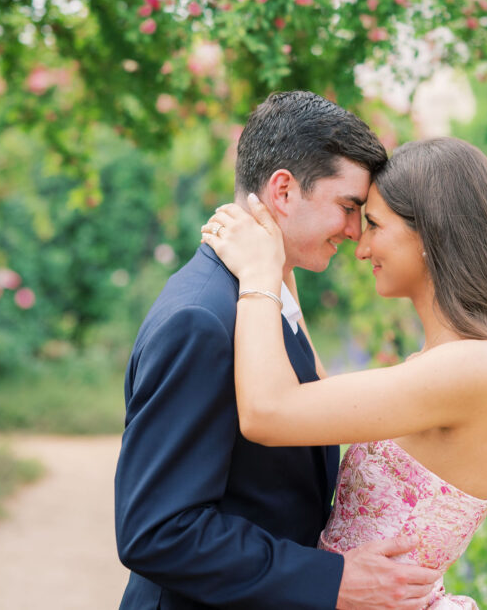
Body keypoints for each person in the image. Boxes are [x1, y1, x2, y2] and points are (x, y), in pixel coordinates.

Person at [115, 91, 442, 610]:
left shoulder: (266, 298)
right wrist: (330, 579)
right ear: (284, 191)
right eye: (348, 207)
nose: (357, 232)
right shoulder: (201, 320)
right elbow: (158, 531)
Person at [202, 136, 487, 609]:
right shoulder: (448, 363)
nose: (361, 246)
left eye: (374, 224)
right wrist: (279, 260)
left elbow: (269, 412)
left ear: (431, 235)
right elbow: (324, 398)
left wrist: (256, 278)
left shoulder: (477, 367)